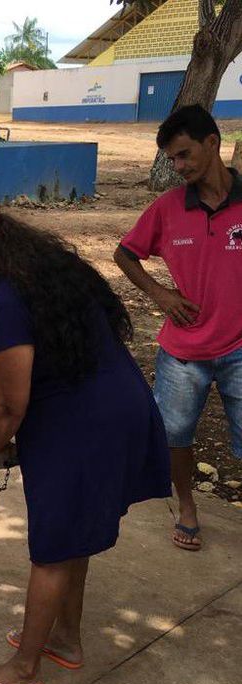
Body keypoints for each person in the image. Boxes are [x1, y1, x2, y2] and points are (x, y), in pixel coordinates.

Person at [0, 199, 170, 684]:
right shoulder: (45, 269)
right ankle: (65, 639)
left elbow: (11, 405)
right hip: (113, 405)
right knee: (71, 536)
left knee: (52, 548)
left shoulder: (9, 303)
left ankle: (24, 667)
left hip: (82, 426)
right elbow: (0, 377)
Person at [116, 104, 242, 552]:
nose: (179, 166)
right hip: (183, 353)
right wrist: (161, 295)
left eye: (185, 154)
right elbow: (125, 254)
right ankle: (187, 507)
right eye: (173, 159)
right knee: (174, 437)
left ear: (213, 143)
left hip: (240, 349)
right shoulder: (168, 208)